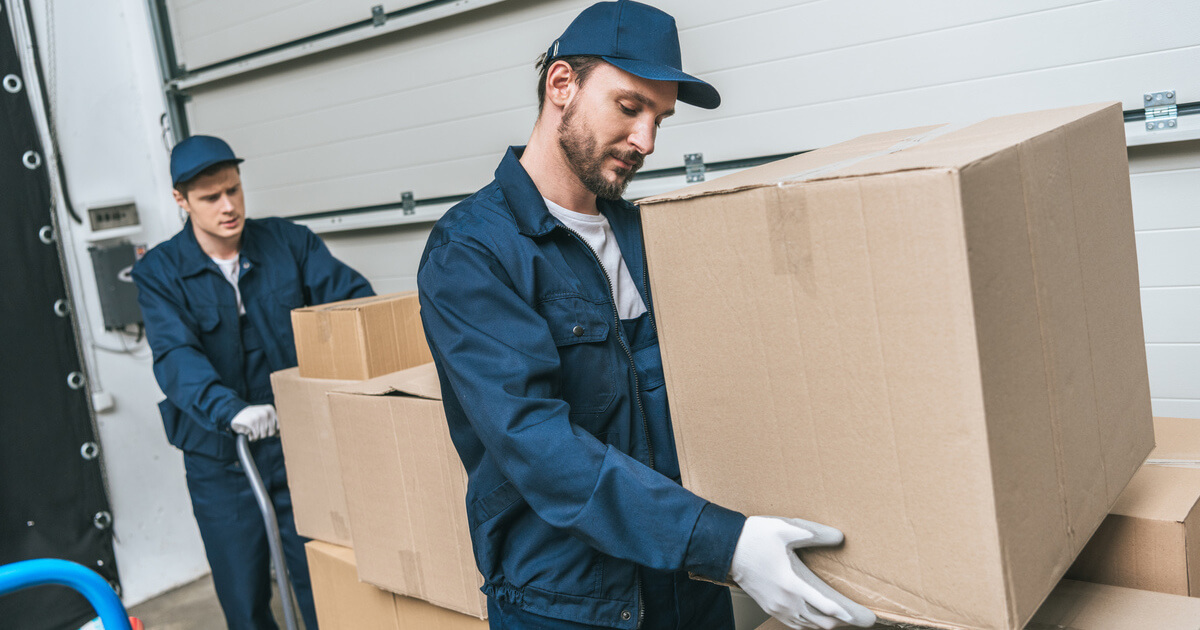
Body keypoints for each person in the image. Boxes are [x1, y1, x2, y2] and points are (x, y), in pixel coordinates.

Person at [418, 2, 876, 629]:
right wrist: (727, 544)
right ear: (562, 84)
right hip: (571, 605)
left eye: (660, 118)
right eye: (630, 107)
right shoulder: (473, 253)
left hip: (689, 585)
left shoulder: (654, 237)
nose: (647, 142)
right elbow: (537, 446)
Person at [132, 135, 373, 630]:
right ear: (181, 201)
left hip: (298, 441)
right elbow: (175, 354)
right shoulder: (160, 272)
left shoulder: (289, 243)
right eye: (210, 198)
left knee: (323, 575)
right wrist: (228, 409)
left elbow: (353, 305)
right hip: (220, 452)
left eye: (234, 191)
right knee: (242, 589)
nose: (228, 207)